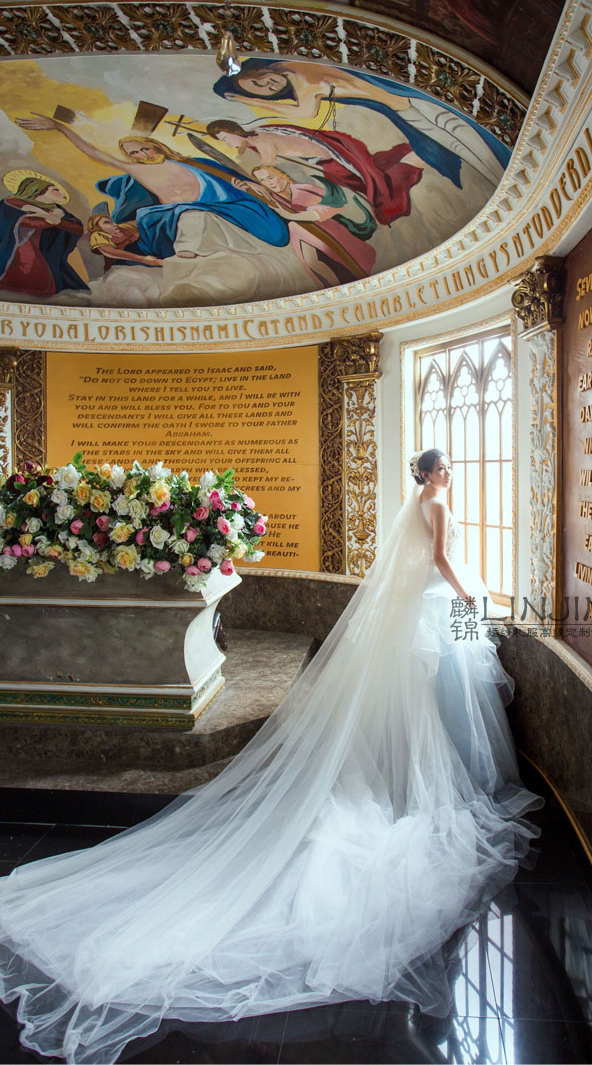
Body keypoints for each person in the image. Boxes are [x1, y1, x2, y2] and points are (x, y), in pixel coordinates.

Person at [0, 450, 540, 1065]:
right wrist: (475, 594)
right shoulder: (438, 503)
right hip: (440, 607)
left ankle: (420, 776)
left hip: (422, 610)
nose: (450, 476)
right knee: (447, 698)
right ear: (436, 474)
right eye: (446, 468)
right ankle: (434, 782)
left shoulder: (415, 501)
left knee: (432, 701)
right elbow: (442, 560)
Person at [212, 58, 510, 189]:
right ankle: (501, 183)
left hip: (413, 102)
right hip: (401, 107)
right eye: (261, 90)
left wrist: (246, 101)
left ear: (257, 68)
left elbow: (303, 113)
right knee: (457, 146)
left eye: (259, 81)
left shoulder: (300, 74)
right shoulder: (293, 76)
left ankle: (504, 182)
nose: (267, 86)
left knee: (469, 143)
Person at [13, 118, 290, 259]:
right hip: (178, 211)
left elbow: (231, 178)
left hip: (223, 206)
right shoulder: (139, 170)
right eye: (136, 152)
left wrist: (249, 185)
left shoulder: (195, 163)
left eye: (146, 147)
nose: (144, 154)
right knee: (187, 216)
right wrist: (61, 127)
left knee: (267, 229)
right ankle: (187, 250)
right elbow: (96, 154)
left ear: (157, 146)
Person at [205, 117, 423, 225]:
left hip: (330, 159)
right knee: (368, 180)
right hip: (323, 161)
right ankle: (406, 162)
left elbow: (267, 166)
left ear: (233, 131)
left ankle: (408, 165)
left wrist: (252, 182)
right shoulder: (256, 136)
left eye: (225, 138)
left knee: (373, 187)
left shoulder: (261, 140)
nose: (226, 143)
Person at [236, 164, 376, 287]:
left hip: (326, 230)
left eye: (270, 177)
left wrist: (294, 216)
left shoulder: (306, 189)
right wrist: (246, 189)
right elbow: (259, 197)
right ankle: (336, 287)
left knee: (340, 258)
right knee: (313, 263)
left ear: (281, 175)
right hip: (300, 234)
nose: (268, 183)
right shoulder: (272, 198)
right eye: (262, 180)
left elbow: (336, 205)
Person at [0, 173, 89, 298]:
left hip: (43, 250)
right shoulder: (12, 203)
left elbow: (77, 228)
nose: (62, 193)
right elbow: (22, 222)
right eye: (55, 189)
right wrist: (47, 220)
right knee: (30, 274)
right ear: (38, 189)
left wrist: (57, 221)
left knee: (47, 279)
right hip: (16, 249)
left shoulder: (55, 209)